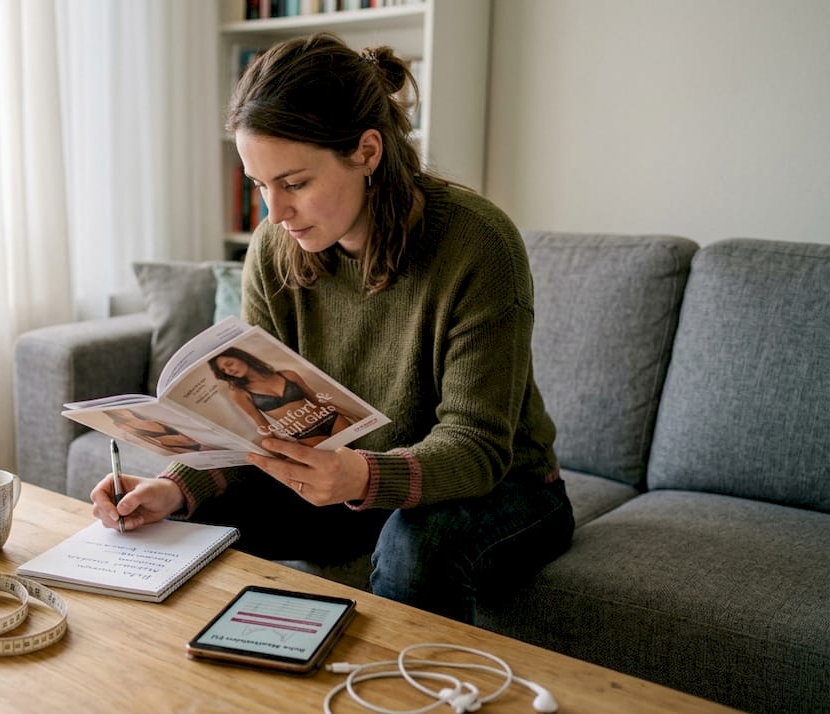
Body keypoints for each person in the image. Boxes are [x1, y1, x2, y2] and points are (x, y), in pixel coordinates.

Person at [90, 33, 573, 624]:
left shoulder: (479, 245)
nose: (275, 213)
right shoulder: (274, 249)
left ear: (367, 152)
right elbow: (256, 430)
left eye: (294, 183)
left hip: (504, 487)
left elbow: (476, 446)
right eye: (259, 185)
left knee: (414, 549)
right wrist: (176, 488)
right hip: (351, 473)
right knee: (188, 524)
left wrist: (361, 475)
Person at [207, 346, 360, 446]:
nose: (228, 371)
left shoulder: (288, 375)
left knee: (361, 453)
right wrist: (278, 448)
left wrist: (355, 416)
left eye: (229, 363)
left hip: (332, 421)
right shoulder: (239, 392)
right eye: (224, 370)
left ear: (241, 357)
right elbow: (262, 425)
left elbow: (318, 401)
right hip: (305, 435)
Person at [107, 408, 208, 455]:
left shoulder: (143, 415)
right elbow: (147, 440)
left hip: (187, 438)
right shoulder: (124, 425)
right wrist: (164, 450)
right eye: (116, 413)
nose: (120, 413)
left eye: (120, 411)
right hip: (172, 444)